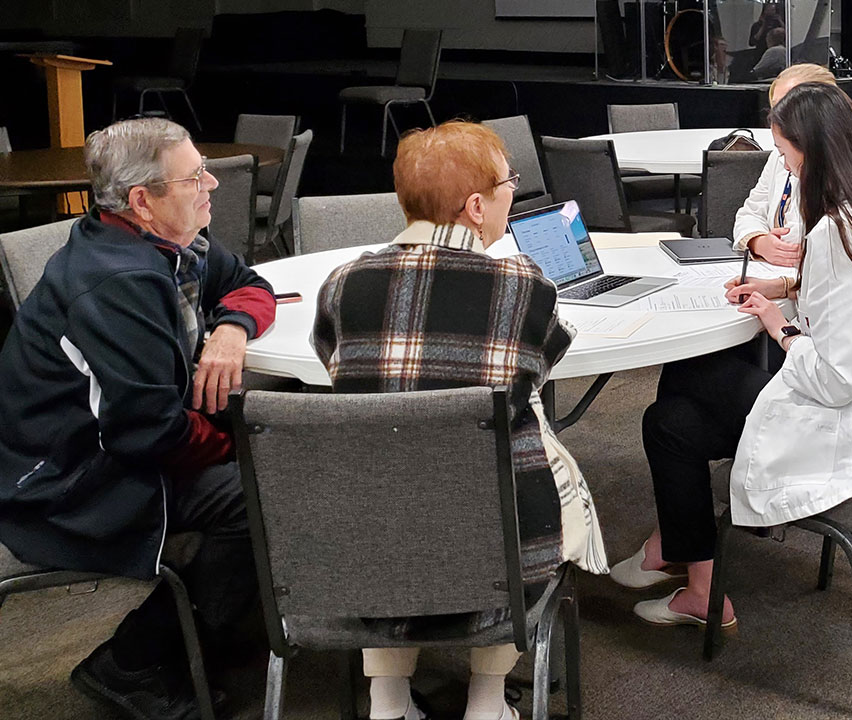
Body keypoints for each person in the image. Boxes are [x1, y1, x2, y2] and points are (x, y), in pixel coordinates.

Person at [311, 121, 609, 720]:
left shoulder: (343, 285)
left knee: (387, 475)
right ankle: (487, 699)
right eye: (508, 184)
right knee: (512, 465)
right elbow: (538, 369)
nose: (512, 195)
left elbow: (332, 361)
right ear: (476, 206)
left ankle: (388, 701)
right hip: (498, 551)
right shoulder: (523, 287)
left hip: (367, 546)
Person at [610, 83, 852, 627]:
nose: (783, 167)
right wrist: (786, 288)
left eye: (784, 155)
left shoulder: (838, 234)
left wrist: (778, 326)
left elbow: (838, 378)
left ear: (813, 152)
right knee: (672, 417)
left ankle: (689, 567)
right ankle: (692, 576)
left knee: (673, 408)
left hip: (845, 420)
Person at [0, 117, 276, 719]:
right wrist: (246, 450)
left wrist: (231, 329)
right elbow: (150, 432)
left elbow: (252, 283)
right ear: (142, 201)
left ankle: (218, 625)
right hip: (71, 480)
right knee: (265, 493)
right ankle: (133, 661)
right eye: (195, 176)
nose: (213, 185)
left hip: (122, 446)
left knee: (269, 467)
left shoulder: (168, 243)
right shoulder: (117, 281)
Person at [732, 63, 838, 267]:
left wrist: (784, 285)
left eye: (788, 106)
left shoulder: (839, 170)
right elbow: (750, 212)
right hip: (772, 271)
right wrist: (759, 242)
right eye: (775, 106)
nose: (777, 117)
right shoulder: (779, 156)